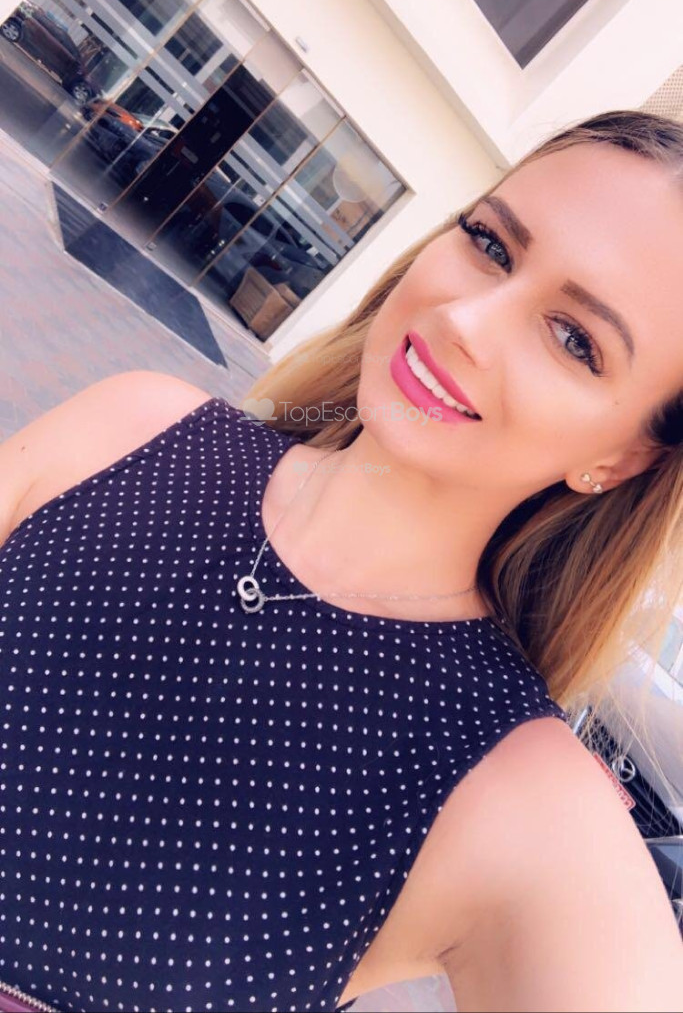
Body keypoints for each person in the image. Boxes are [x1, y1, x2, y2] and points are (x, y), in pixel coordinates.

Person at [0, 109, 681, 1013]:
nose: (465, 320)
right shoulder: (130, 428)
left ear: (621, 458)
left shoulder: (510, 792)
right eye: (489, 244)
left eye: (573, 340)